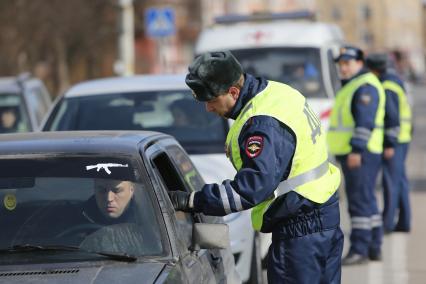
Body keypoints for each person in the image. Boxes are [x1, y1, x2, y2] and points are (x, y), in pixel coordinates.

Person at [169, 51, 343, 283]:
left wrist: (193, 201)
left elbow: (250, 189)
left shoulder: (262, 123)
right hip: (321, 213)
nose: (208, 109)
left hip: (300, 229)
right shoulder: (277, 92)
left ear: (233, 91)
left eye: (211, 100)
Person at [327, 45, 386, 265]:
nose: (343, 67)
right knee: (367, 200)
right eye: (340, 64)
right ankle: (373, 246)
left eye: (347, 63)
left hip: (360, 153)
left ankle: (360, 248)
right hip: (358, 152)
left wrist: (356, 150)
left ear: (360, 63)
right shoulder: (353, 85)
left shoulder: (364, 86)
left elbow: (365, 122)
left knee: (359, 202)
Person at [366, 53, 412, 233]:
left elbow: (392, 117)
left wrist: (390, 144)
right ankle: (404, 222)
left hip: (396, 141)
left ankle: (387, 223)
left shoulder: (387, 86)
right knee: (399, 180)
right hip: (403, 138)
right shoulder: (394, 80)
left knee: (390, 182)